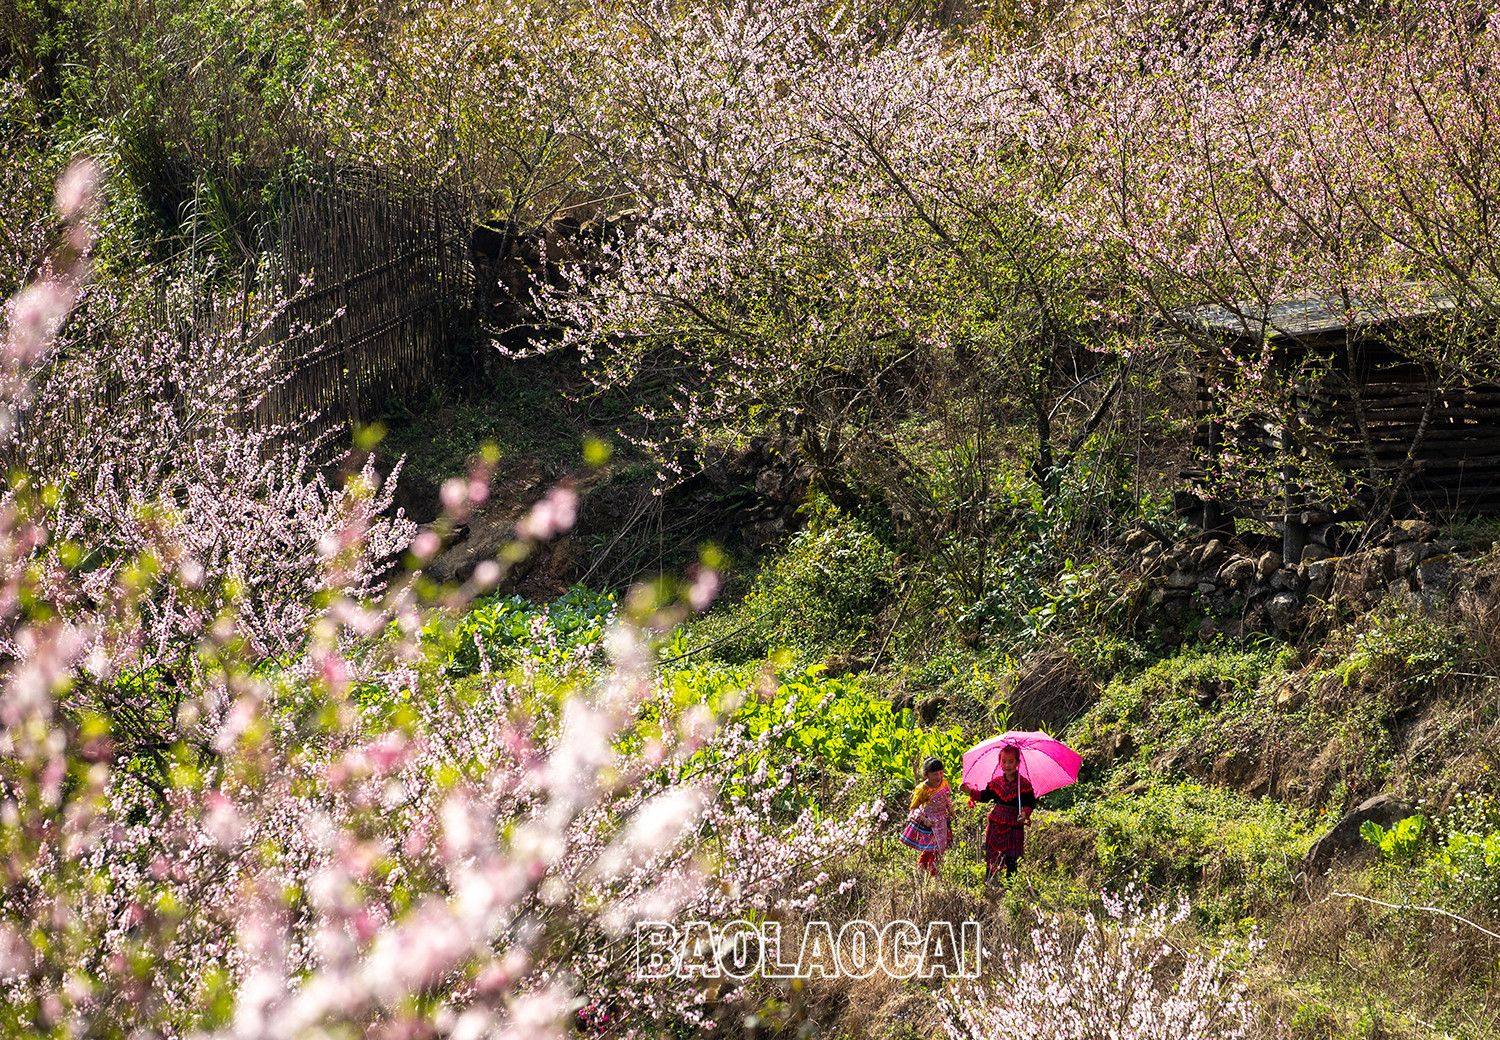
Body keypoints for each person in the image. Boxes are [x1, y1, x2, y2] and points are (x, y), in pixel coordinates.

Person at [962, 745, 1036, 879]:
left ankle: (1010, 885)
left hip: (1014, 823)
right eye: (1004, 761)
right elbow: (985, 796)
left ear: (1018, 762)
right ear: (1000, 762)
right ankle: (990, 881)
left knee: (1011, 858)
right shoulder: (996, 783)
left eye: (1011, 761)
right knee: (992, 853)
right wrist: (969, 791)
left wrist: (1025, 813)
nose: (1007, 765)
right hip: (996, 822)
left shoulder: (1024, 785)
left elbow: (1030, 803)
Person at [900, 757, 954, 877]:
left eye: (941, 773)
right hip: (929, 824)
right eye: (935, 774)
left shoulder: (944, 782)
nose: (939, 777)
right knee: (932, 850)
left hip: (942, 822)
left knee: (934, 849)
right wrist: (925, 820)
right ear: (925, 775)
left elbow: (947, 797)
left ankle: (921, 870)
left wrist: (950, 808)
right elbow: (914, 808)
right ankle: (933, 876)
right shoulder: (922, 790)